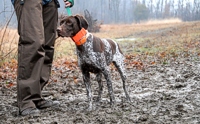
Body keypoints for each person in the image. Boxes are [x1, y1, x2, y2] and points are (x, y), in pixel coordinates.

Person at [11, 0, 74, 116]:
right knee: (33, 44)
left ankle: (36, 96)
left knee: (47, 46)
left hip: (50, 2)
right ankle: (26, 100)